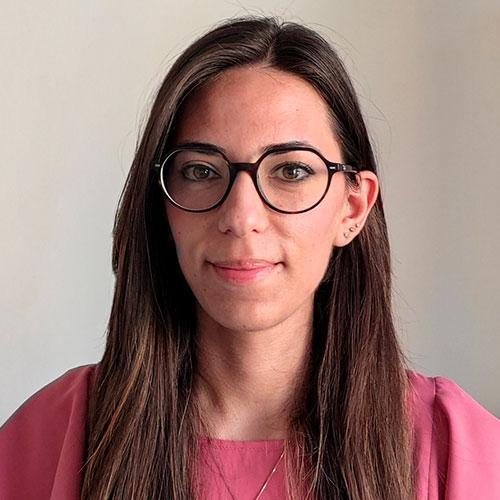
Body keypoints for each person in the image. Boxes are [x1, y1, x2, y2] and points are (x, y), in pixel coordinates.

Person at [1, 16, 499, 500]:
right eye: (201, 171)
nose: (241, 216)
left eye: (291, 171)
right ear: (162, 205)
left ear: (353, 207)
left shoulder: (454, 447)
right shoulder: (53, 436)